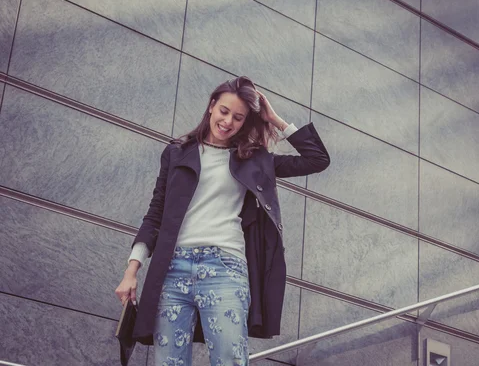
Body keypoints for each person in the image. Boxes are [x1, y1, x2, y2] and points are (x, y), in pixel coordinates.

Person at [115, 76, 330, 366]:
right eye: (224, 111)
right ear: (212, 106)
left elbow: (316, 159)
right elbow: (156, 212)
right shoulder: (176, 152)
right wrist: (132, 269)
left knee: (229, 360)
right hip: (173, 270)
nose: (228, 121)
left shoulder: (254, 159)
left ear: (246, 122)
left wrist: (274, 119)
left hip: (224, 268)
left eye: (239, 118)